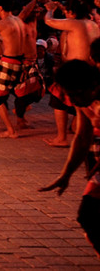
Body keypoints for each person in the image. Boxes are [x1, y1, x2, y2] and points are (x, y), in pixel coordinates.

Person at [40, 60, 100, 256]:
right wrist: (65, 175)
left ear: (95, 86)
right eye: (70, 96)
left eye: (78, 94)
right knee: (89, 218)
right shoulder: (83, 101)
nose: (74, 101)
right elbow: (83, 137)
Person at [43, 0, 98, 147]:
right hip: (90, 68)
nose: (66, 14)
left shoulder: (75, 24)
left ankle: (62, 137)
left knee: (58, 101)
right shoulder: (92, 24)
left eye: (67, 12)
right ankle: (81, 132)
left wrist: (50, 10)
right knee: (81, 104)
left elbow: (49, 21)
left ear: (73, 13)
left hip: (75, 70)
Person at [0, 0, 28, 138]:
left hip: (8, 63)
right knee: (1, 93)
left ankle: (11, 130)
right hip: (19, 62)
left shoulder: (2, 24)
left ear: (0, 7)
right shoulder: (18, 21)